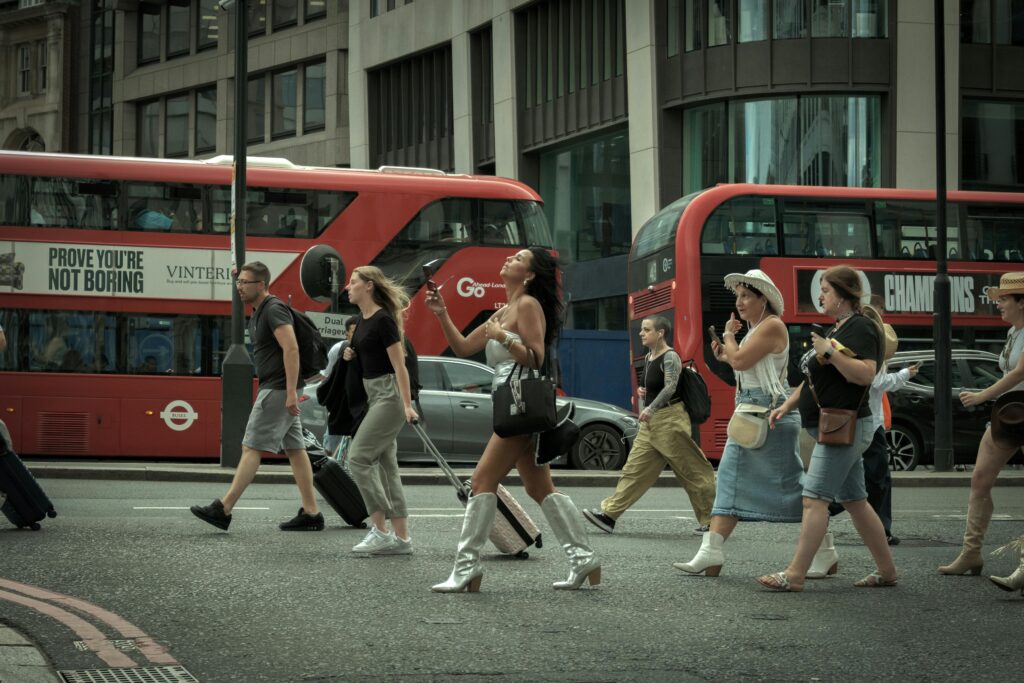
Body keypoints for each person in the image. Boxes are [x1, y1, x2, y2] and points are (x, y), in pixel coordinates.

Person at [426, 247, 601, 593]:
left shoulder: (527, 306)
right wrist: (442, 313)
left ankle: (467, 568)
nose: (508, 260)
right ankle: (583, 559)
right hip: (511, 403)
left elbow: (536, 358)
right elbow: (462, 348)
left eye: (518, 259)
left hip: (521, 405)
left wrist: (502, 336)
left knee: (479, 482)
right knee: (539, 488)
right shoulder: (504, 310)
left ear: (530, 275)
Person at [757, 265, 897, 591]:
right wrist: (786, 406)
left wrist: (831, 352)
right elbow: (812, 381)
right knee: (856, 501)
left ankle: (794, 575)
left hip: (845, 426)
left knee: (814, 499)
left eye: (826, 290)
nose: (820, 295)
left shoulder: (860, 327)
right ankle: (887, 571)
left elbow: (865, 374)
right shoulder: (839, 328)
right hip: (836, 425)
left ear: (845, 295)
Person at [674, 270, 809, 577]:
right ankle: (711, 550)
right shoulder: (759, 328)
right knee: (732, 481)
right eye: (738, 296)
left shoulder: (772, 325)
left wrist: (730, 340)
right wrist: (726, 353)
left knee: (790, 488)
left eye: (747, 296)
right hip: (757, 413)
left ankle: (822, 548)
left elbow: (740, 361)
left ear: (765, 299)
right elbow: (740, 362)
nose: (740, 302)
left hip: (767, 414)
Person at [190, 261, 323, 532]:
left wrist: (289, 393)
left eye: (245, 282)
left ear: (261, 285)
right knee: (296, 450)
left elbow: (292, 349)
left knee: (251, 447)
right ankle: (312, 513)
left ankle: (223, 509)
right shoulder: (261, 310)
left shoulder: (273, 309)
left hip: (276, 389)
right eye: (238, 282)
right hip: (280, 388)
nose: (239, 287)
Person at [583, 315, 715, 536]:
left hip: (670, 420)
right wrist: (643, 392)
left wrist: (650, 407)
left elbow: (671, 387)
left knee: (693, 470)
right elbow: (653, 385)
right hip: (652, 425)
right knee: (634, 470)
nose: (641, 333)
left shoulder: (670, 356)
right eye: (642, 330)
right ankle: (609, 516)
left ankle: (711, 521)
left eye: (646, 330)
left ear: (660, 332)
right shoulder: (649, 357)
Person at [939, 272, 1024, 576]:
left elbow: (1017, 374)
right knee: (979, 480)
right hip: (1010, 415)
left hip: (1017, 411)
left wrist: (980, 396)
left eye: (1004, 300)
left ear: (1022, 302)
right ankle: (971, 554)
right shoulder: (1014, 332)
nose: (998, 305)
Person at [343, 266, 418, 555]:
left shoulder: (383, 320)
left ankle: (380, 530)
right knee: (388, 469)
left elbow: (400, 366)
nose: (347, 287)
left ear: (369, 285)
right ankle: (402, 539)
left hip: (390, 396)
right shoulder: (362, 321)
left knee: (358, 457)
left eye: (353, 282)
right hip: (375, 395)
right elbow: (370, 358)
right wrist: (352, 353)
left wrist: (408, 405)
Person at [827, 306, 917, 546]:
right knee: (877, 478)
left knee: (863, 475)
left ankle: (831, 508)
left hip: (863, 421)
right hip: (870, 422)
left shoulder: (860, 354)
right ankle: (835, 509)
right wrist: (906, 373)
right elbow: (879, 383)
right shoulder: (869, 359)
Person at [320, 316, 359, 458]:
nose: (358, 335)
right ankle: (330, 470)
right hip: (340, 403)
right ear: (346, 334)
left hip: (359, 403)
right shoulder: (338, 349)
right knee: (331, 443)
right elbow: (327, 377)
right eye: (354, 331)